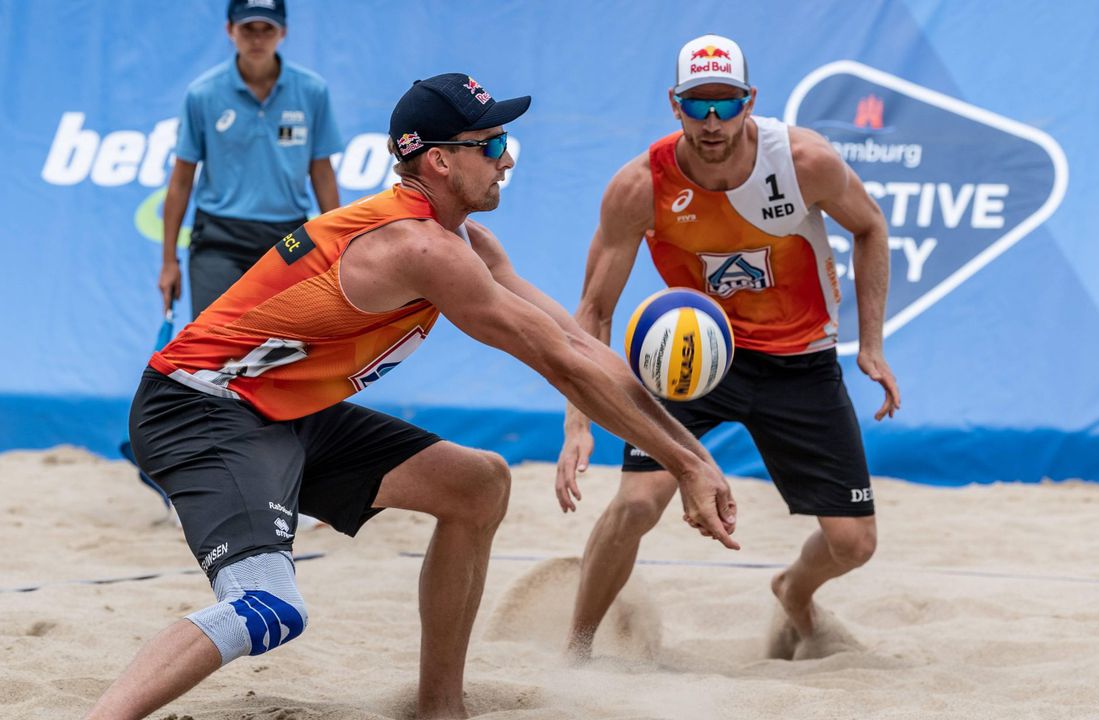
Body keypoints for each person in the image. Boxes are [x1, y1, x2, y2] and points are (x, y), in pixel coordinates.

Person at [86, 73, 738, 720]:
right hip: (197, 408)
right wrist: (687, 465)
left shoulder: (467, 242)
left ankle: (439, 709)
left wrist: (690, 457)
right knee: (268, 609)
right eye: (492, 144)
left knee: (477, 484)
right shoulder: (417, 247)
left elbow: (577, 344)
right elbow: (561, 364)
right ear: (441, 161)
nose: (507, 157)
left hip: (279, 410)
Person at [555, 34, 901, 661]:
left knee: (854, 544)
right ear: (674, 103)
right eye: (697, 105)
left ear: (750, 102)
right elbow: (594, 312)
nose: (711, 120)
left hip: (800, 361)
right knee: (635, 504)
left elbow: (871, 228)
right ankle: (576, 649)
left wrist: (870, 345)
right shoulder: (641, 186)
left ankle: (793, 593)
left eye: (726, 103)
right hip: (692, 359)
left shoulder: (803, 161)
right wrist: (577, 423)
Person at [158, 0, 342, 320]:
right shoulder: (202, 94)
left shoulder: (312, 91)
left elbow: (322, 173)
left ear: (282, 32)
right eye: (248, 29)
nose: (257, 39)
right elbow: (181, 181)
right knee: (214, 342)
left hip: (288, 237)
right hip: (218, 238)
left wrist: (340, 246)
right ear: (230, 30)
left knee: (285, 346)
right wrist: (168, 261)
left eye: (266, 29)